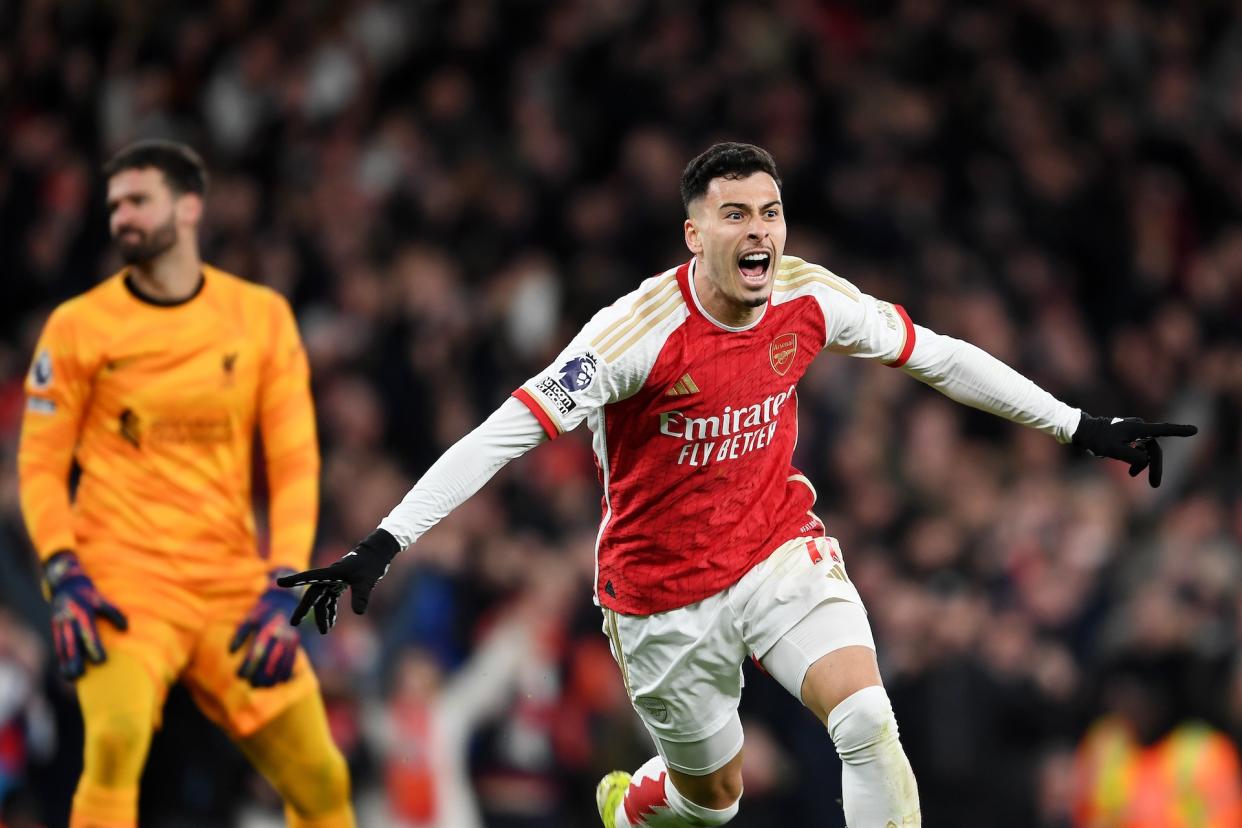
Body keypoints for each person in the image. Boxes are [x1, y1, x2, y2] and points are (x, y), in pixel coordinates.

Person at [278, 142, 1197, 827]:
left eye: (769, 212)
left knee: (869, 723)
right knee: (713, 803)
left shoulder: (806, 297)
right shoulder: (634, 337)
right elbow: (505, 433)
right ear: (695, 233)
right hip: (659, 600)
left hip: (774, 551)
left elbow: (940, 358)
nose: (758, 230)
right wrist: (383, 543)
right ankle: (640, 802)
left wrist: (1081, 425)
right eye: (735, 214)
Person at [17, 140, 354, 828]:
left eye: (138, 201)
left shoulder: (261, 318)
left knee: (320, 775)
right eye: (114, 206)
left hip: (232, 586)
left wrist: (285, 579)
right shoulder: (78, 327)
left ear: (190, 206)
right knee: (114, 744)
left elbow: (294, 464)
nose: (122, 218)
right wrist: (62, 568)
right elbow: (40, 464)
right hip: (122, 584)